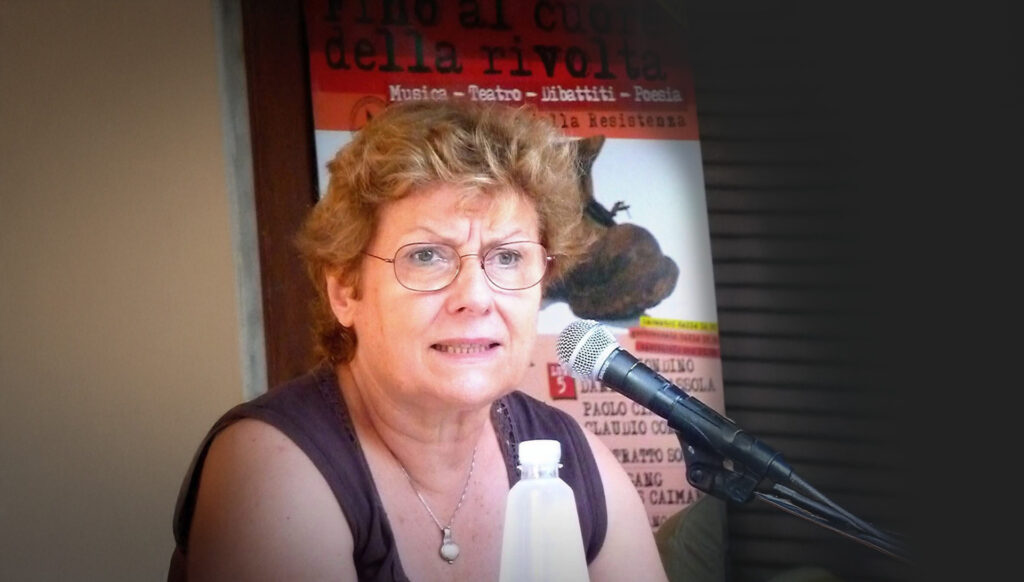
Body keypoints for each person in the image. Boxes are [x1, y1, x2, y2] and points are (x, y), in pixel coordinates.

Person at [168, 99, 669, 582]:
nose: (475, 298)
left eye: (508, 257)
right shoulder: (268, 468)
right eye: (427, 256)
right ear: (345, 291)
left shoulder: (577, 461)